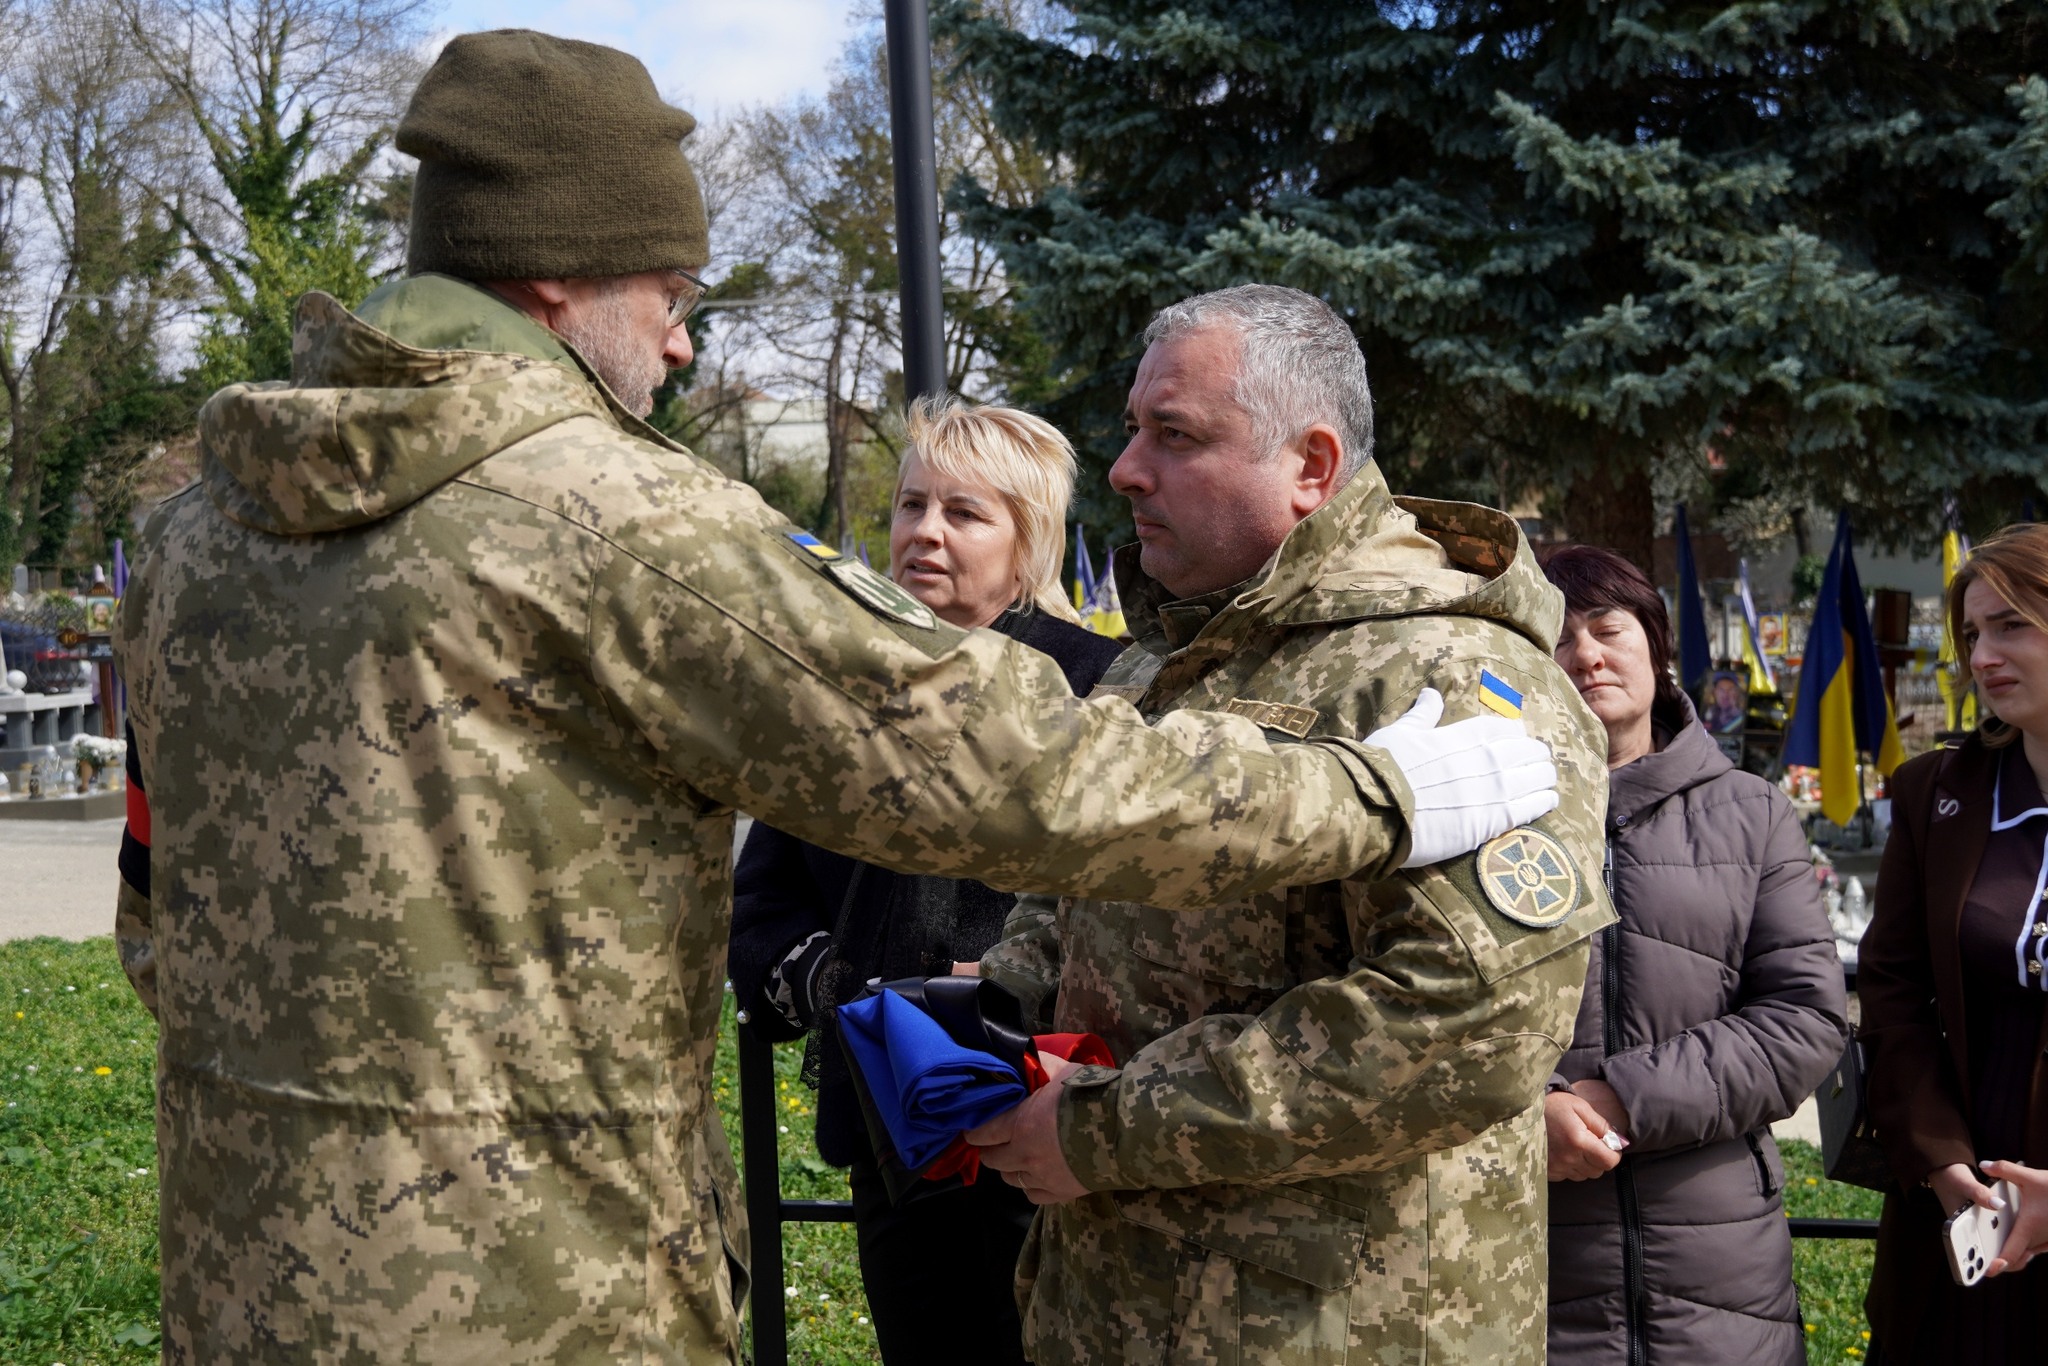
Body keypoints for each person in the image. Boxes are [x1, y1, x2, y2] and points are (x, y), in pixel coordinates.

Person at [109, 32, 1562, 1364]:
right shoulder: (617, 523)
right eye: (670, 297)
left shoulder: (193, 538)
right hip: (534, 1297)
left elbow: (156, 917)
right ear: (559, 279)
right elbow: (994, 768)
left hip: (248, 1281)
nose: (679, 344)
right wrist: (1377, 795)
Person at [964, 284, 1612, 1365]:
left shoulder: (1452, 673)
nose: (1125, 469)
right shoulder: (1164, 658)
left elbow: (1468, 1027)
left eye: (1173, 435)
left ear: (1309, 467)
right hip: (1118, 1305)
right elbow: (1071, 888)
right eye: (1132, 430)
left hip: (1335, 1327)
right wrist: (998, 996)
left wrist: (1105, 1129)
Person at [726, 398, 1121, 1366]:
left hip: (1063, 1115)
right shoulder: (836, 685)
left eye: (963, 512)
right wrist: (841, 985)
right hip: (892, 1120)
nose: (924, 532)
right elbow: (764, 899)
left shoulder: (1104, 688)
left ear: (1026, 538)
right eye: (910, 506)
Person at [1539, 545, 1846, 1366]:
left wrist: (1622, 1100)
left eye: (1608, 628)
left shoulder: (1752, 814)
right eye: (1557, 637)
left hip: (1720, 1268)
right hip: (1530, 1260)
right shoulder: (1481, 818)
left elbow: (1804, 1020)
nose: (1587, 654)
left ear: (1656, 646)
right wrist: (1524, 1116)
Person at [1860, 523, 2048, 1362]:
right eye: (1973, 633)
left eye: (2011, 625)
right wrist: (1941, 1163)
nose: (1982, 655)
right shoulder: (1939, 791)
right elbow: (1892, 990)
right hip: (1964, 1198)